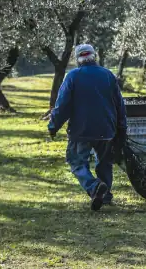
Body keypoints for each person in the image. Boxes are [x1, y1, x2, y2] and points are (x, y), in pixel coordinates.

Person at [48, 44, 127, 211]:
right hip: (106, 128)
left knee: (76, 162)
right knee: (105, 162)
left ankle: (93, 187)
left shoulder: (73, 76)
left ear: (78, 59)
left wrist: (53, 125)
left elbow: (62, 105)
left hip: (81, 130)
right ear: (94, 56)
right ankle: (105, 195)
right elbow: (120, 105)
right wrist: (122, 128)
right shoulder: (108, 75)